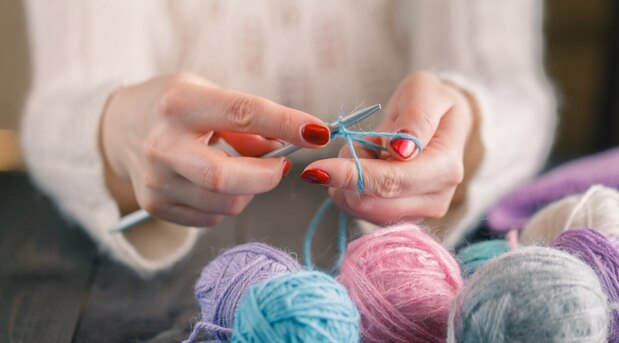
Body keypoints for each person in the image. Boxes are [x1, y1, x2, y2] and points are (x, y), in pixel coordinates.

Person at [21, 1, 556, 274]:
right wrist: (115, 127)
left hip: (402, 247)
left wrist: (464, 129)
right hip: (147, 266)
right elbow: (62, 105)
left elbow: (512, 90)